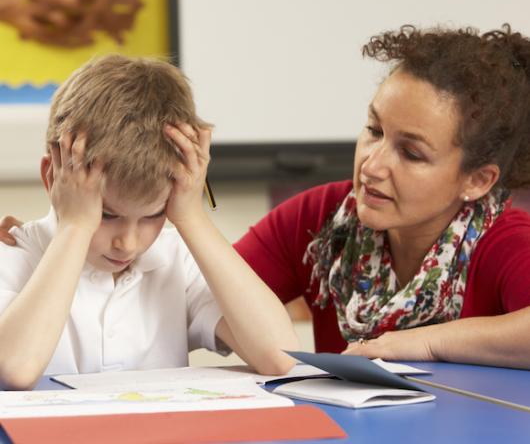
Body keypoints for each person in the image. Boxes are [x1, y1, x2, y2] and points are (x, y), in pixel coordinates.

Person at [232, 24, 530, 369]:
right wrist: (192, 213)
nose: (371, 166)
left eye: (411, 154)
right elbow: (201, 296)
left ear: (477, 181)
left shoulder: (505, 240)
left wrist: (428, 343)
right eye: (374, 131)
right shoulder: (320, 216)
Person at [0, 54, 298, 390]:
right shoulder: (11, 254)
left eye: (153, 215)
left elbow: (281, 357)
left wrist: (190, 216)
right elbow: (16, 369)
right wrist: (76, 227)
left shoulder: (176, 261)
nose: (128, 242)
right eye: (107, 214)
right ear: (53, 177)